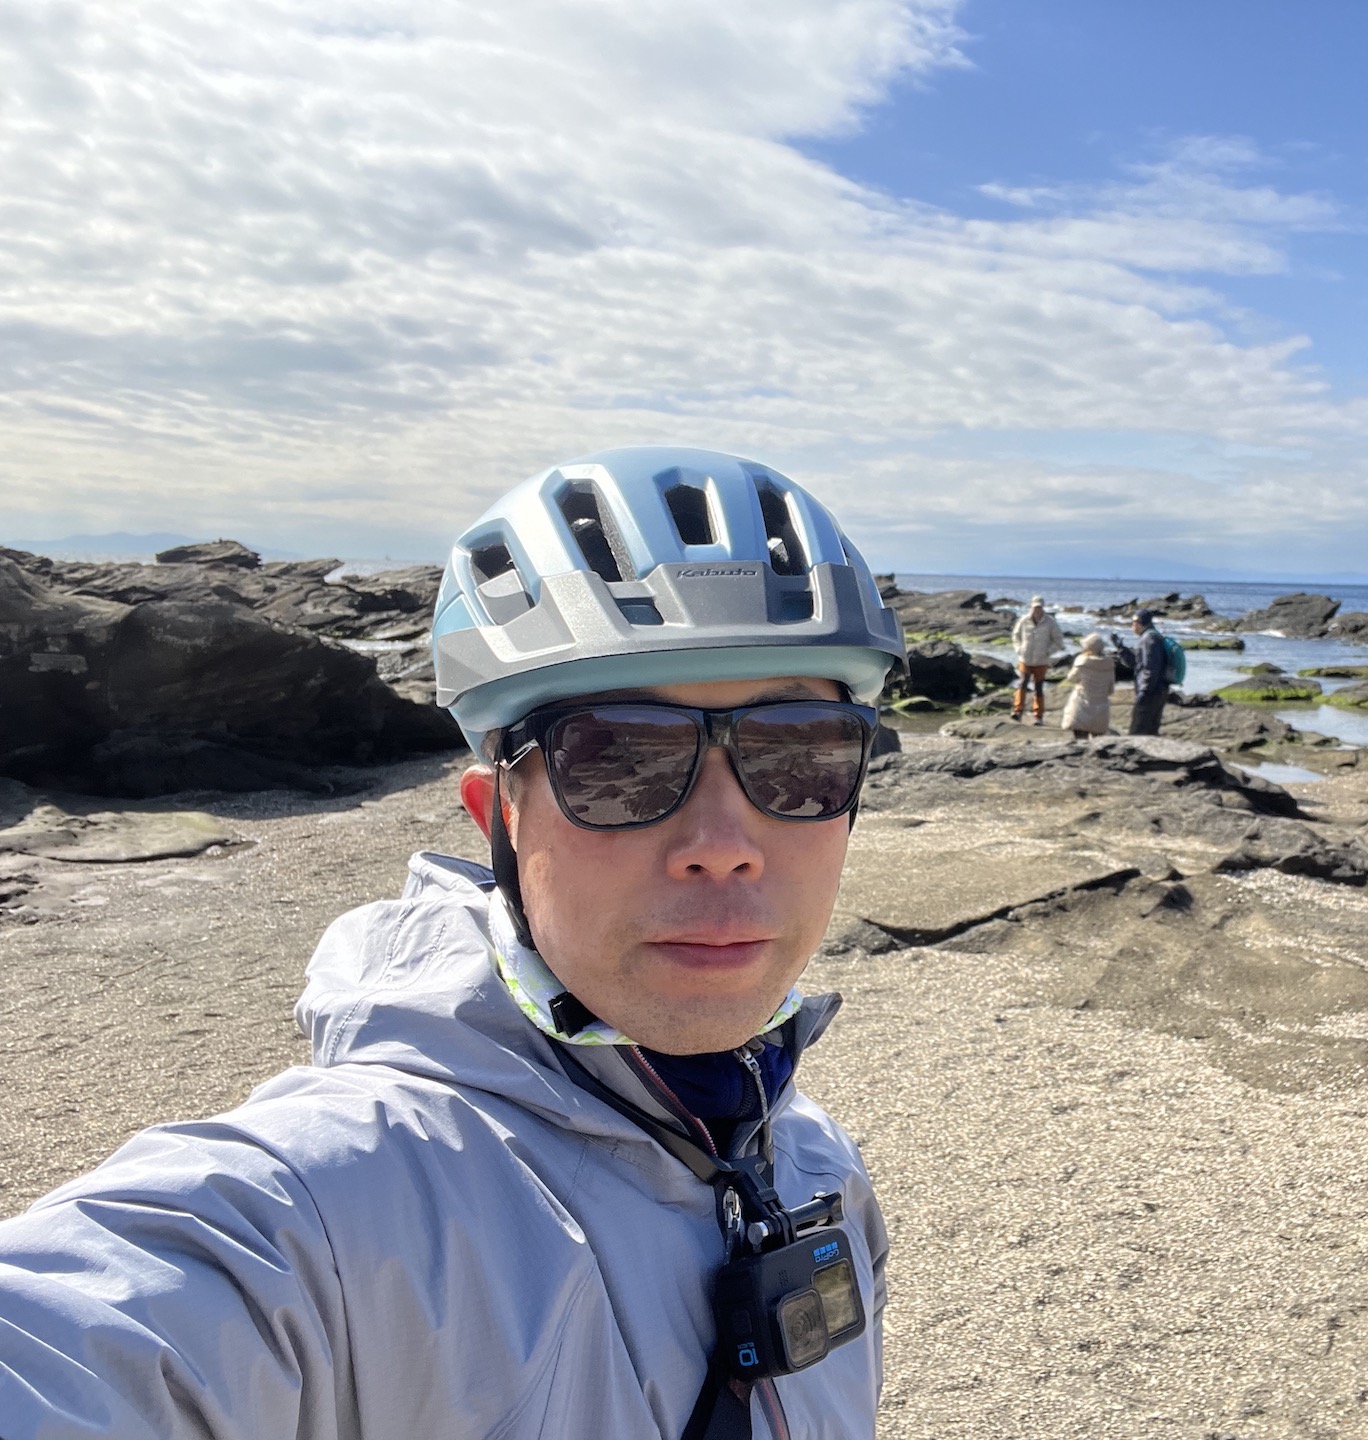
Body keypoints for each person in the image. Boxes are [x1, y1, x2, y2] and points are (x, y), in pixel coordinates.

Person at [0, 446, 907, 1440]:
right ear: (499, 816)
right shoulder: (342, 1207)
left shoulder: (816, 1166)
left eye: (800, 758)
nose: (724, 845)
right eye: (622, 763)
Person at [1008, 594, 1063, 725]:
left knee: (1038, 687)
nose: (1037, 610)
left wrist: (1048, 652)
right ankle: (1017, 711)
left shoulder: (1050, 622)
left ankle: (1038, 716)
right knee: (1022, 683)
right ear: (1031, 607)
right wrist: (1019, 649)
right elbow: (1015, 636)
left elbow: (1058, 641)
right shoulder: (1023, 620)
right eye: (1035, 607)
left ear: (1043, 607)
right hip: (1025, 659)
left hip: (1041, 661)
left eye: (1039, 607)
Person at [1058, 631, 1117, 739]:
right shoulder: (1109, 665)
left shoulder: (1082, 662)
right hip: (1101, 709)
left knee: (1080, 741)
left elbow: (1071, 678)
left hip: (1082, 706)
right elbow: (1110, 689)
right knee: (1098, 743)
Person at [1128, 608, 1171, 736]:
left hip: (1151, 692)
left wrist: (1144, 691)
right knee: (1151, 731)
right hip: (1158, 689)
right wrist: (1121, 649)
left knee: (1138, 731)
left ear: (1139, 623)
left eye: (1133, 622)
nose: (1132, 625)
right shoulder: (1152, 636)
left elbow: (1151, 667)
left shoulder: (1149, 638)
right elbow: (1137, 664)